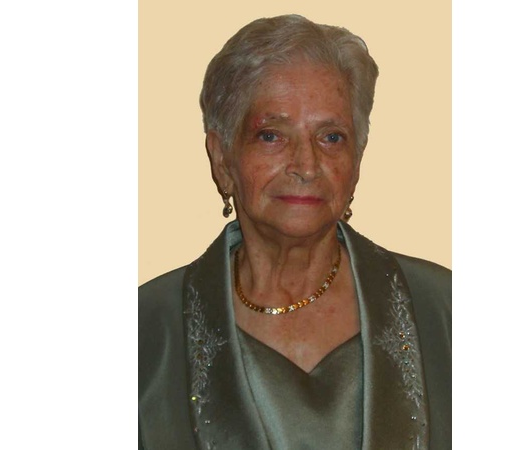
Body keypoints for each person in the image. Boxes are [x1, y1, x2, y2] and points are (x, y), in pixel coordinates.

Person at [139, 14, 450, 450]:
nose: (306, 165)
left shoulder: (444, 309)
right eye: (271, 136)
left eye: (331, 138)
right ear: (222, 159)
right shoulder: (147, 329)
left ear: (357, 162)